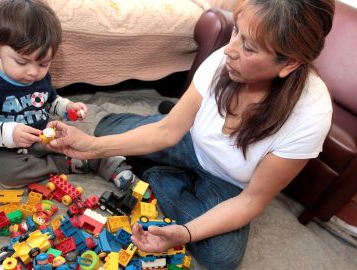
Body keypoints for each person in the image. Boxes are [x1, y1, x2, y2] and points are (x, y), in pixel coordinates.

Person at [45, 0, 335, 269]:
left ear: (289, 63)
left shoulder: (310, 115)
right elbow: (169, 131)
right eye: (236, 30)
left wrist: (184, 233)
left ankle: (156, 174)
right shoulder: (224, 59)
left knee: (221, 257)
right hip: (189, 140)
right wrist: (92, 147)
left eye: (249, 47)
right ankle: (159, 166)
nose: (230, 50)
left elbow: (252, 201)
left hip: (228, 183)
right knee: (104, 129)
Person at [0, 0, 136, 190]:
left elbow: (49, 100)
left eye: (43, 64)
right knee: (8, 175)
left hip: (43, 135)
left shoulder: (39, 77)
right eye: (21, 62)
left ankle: (107, 162)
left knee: (74, 140)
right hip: (4, 148)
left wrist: (66, 106)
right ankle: (66, 164)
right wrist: (9, 133)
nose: (33, 73)